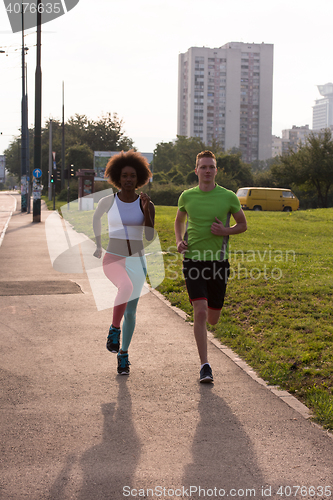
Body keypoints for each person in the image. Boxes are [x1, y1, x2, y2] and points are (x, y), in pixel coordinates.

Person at [174, 150, 247, 383]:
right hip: (193, 261)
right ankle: (205, 365)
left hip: (218, 263)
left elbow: (243, 224)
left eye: (211, 167)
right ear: (196, 170)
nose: (207, 170)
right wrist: (178, 240)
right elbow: (179, 220)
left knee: (212, 318)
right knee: (201, 311)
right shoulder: (187, 196)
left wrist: (225, 230)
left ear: (216, 170)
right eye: (203, 167)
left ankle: (203, 322)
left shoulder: (228, 197)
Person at [93, 150, 155, 375]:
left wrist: (146, 211)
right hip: (114, 258)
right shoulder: (108, 201)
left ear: (139, 178)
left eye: (132, 176)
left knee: (131, 312)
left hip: (137, 260)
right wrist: (98, 244)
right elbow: (96, 217)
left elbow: (149, 237)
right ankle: (113, 330)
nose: (128, 179)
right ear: (117, 178)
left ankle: (123, 354)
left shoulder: (146, 203)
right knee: (125, 287)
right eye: (124, 175)